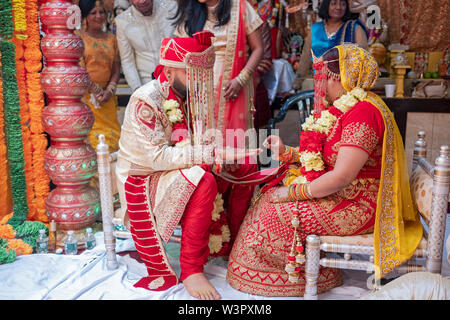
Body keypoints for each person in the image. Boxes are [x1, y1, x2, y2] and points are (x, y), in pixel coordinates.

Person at [226, 43, 423, 297]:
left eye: (325, 78)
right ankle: (298, 268)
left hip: (359, 203)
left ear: (343, 79)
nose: (320, 86)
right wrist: (288, 152)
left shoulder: (364, 112)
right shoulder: (345, 109)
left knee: (275, 209)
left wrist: (295, 193)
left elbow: (342, 176)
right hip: (343, 193)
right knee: (268, 195)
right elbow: (324, 158)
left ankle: (291, 275)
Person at [115, 31, 260, 300]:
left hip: (174, 169)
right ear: (169, 73)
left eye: (200, 75)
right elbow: (155, 158)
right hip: (143, 178)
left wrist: (219, 150)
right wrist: (209, 152)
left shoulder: (186, 96)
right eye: (190, 74)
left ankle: (235, 248)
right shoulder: (145, 100)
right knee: (202, 180)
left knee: (244, 168)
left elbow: (193, 141)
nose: (196, 81)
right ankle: (192, 269)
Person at [172, 0, 264, 139]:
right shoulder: (190, 10)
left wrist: (241, 79)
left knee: (234, 143)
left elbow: (258, 49)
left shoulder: (240, 7)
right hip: (199, 92)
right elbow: (180, 52)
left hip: (233, 87)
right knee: (204, 146)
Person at [293, 0, 369, 90]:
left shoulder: (354, 29)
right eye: (334, 3)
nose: (338, 7)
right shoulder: (315, 29)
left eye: (343, 4)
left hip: (346, 89)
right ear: (326, 6)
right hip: (318, 87)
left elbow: (365, 59)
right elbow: (305, 59)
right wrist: (297, 83)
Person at [78, 0, 122, 153]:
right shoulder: (79, 38)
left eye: (101, 12)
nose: (98, 16)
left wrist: (109, 90)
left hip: (107, 99)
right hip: (87, 99)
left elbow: (116, 68)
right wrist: (96, 90)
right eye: (93, 13)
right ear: (85, 16)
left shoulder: (111, 39)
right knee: (93, 141)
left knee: (114, 138)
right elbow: (80, 70)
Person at [115, 0, 176, 92]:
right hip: (147, 84)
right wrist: (137, 89)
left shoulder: (171, 8)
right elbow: (127, 60)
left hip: (176, 79)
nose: (142, 1)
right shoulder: (122, 21)